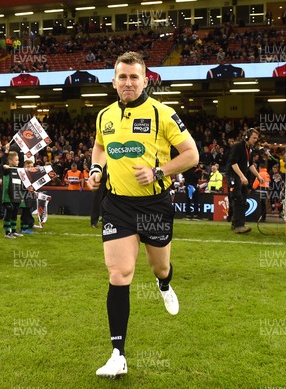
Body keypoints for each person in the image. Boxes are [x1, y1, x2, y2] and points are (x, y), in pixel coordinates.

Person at [87, 51, 198, 378]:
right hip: (118, 206)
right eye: (122, 77)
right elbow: (100, 146)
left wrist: (159, 171)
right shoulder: (104, 115)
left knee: (159, 266)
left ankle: (164, 284)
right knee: (119, 274)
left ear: (145, 80)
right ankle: (118, 354)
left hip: (154, 206)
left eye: (134, 77)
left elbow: (192, 154)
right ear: (114, 81)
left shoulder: (163, 114)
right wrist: (96, 169)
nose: (128, 82)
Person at [227, 128, 263, 233]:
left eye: (256, 138)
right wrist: (242, 176)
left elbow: (250, 164)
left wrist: (258, 176)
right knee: (238, 199)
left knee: (242, 200)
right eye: (254, 137)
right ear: (247, 136)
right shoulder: (238, 146)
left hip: (241, 177)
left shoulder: (249, 149)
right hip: (234, 176)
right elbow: (233, 163)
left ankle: (235, 223)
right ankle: (239, 226)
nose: (255, 140)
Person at [2, 151, 23, 239]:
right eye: (16, 160)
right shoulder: (7, 170)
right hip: (8, 196)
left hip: (17, 196)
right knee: (9, 213)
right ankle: (7, 232)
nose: (18, 161)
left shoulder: (18, 171)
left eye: (18, 160)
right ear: (10, 161)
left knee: (15, 213)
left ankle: (13, 231)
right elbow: (3, 165)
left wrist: (20, 195)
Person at [19, 160, 37, 233]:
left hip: (30, 196)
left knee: (27, 211)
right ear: (24, 167)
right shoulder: (22, 174)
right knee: (25, 212)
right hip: (23, 196)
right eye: (28, 166)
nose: (30, 168)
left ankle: (25, 226)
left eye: (32, 166)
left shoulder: (32, 175)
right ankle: (24, 228)